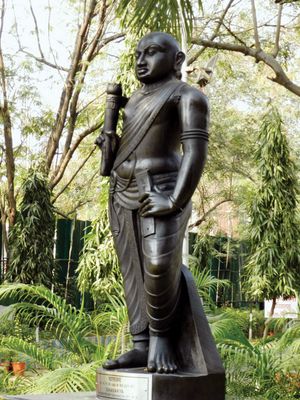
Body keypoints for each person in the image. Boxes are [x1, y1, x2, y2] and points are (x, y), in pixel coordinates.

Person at [99, 32, 209, 374]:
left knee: (159, 265)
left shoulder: (187, 96)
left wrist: (176, 200)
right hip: (122, 189)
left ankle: (161, 338)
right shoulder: (130, 103)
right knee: (132, 269)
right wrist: (110, 144)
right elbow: (126, 149)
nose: (141, 61)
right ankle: (141, 343)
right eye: (137, 55)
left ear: (177, 61)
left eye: (152, 53)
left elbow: (195, 153)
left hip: (161, 187)